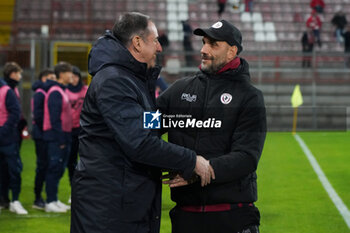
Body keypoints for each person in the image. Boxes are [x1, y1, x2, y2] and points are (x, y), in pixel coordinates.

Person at [70, 12, 214, 233]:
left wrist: (179, 119)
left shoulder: (130, 78)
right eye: (155, 40)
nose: (159, 48)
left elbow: (147, 123)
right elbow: (140, 142)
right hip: (109, 208)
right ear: (137, 42)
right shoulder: (115, 81)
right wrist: (191, 160)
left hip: (123, 199)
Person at [158, 20, 267, 233]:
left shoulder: (249, 97)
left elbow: (247, 157)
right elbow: (145, 128)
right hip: (186, 218)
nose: (203, 50)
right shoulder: (179, 90)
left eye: (213, 44)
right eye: (204, 42)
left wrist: (199, 171)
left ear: (231, 51)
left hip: (233, 217)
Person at [43, 61, 73, 213]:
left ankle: (54, 199)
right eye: (69, 72)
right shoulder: (55, 91)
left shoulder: (61, 90)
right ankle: (50, 201)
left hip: (63, 135)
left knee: (58, 169)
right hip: (56, 137)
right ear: (61, 74)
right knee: (54, 169)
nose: (72, 76)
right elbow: (55, 118)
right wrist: (61, 139)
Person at [0, 62, 28, 214]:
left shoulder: (7, 91)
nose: (20, 76)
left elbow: (15, 114)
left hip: (8, 138)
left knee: (14, 170)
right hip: (8, 135)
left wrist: (3, 131)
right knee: (3, 170)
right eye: (18, 73)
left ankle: (15, 200)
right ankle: (3, 199)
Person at [31, 68, 57, 210]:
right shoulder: (40, 94)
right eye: (51, 77)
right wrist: (46, 131)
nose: (54, 80)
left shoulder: (47, 92)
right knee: (42, 166)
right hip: (41, 136)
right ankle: (37, 198)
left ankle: (49, 197)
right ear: (44, 78)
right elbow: (39, 116)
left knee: (48, 166)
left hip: (45, 134)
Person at [65, 66, 88, 203]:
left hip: (85, 130)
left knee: (86, 161)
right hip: (70, 131)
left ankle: (85, 191)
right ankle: (74, 190)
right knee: (71, 162)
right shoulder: (65, 91)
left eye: (75, 76)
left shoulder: (86, 90)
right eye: (71, 77)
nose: (73, 79)